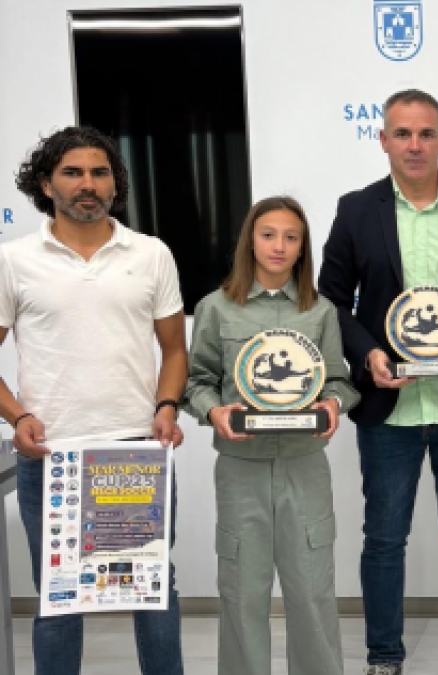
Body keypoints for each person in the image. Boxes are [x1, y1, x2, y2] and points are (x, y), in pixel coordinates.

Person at [318, 89, 438, 675]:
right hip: (389, 407)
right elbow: (332, 301)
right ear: (382, 139)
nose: (414, 145)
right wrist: (368, 355)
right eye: (402, 133)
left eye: (426, 133)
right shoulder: (356, 210)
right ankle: (384, 657)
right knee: (384, 539)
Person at [0, 126, 187, 674]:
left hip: (136, 451)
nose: (88, 184)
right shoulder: (13, 260)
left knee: (153, 591)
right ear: (46, 184)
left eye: (100, 172)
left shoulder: (151, 254)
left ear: (114, 183)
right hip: (51, 455)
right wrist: (18, 416)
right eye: (73, 172)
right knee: (59, 599)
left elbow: (174, 350)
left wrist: (166, 406)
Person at [184, 196, 359, 675]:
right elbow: (196, 382)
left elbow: (339, 382)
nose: (279, 246)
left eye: (291, 237)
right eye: (268, 235)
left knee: (312, 591)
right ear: (250, 241)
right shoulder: (215, 308)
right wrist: (214, 411)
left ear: (302, 247)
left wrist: (332, 404)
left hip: (305, 464)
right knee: (242, 592)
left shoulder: (319, 311)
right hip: (240, 469)